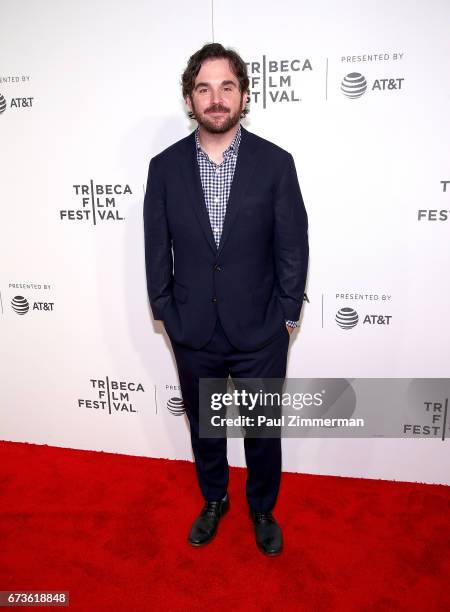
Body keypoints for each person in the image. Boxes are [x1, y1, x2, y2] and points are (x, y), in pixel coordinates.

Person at [143, 42, 309, 556]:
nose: (216, 99)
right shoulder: (164, 167)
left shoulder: (276, 164)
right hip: (193, 328)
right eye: (204, 88)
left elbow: (292, 245)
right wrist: (166, 314)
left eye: (226, 87)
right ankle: (214, 499)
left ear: (243, 94)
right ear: (190, 100)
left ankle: (262, 507)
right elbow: (155, 249)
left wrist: (286, 315)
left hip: (260, 328)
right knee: (205, 429)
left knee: (262, 430)